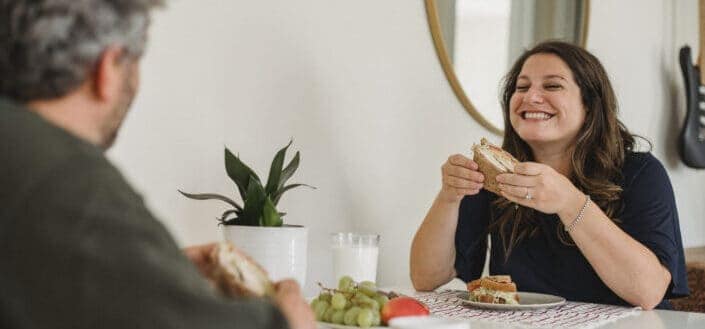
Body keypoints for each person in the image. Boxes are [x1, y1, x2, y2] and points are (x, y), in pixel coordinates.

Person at [0, 1, 314, 328]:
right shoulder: (70, 181)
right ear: (107, 67)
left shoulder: (20, 162)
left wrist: (149, 273)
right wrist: (289, 316)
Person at [410, 41, 689, 310]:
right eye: (521, 87)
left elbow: (649, 292)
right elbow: (426, 278)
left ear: (589, 105)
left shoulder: (640, 172)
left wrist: (569, 203)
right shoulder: (494, 178)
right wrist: (449, 196)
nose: (530, 97)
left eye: (552, 85)